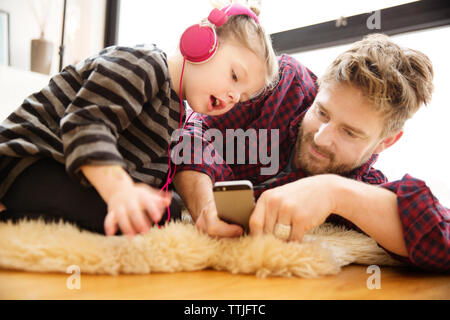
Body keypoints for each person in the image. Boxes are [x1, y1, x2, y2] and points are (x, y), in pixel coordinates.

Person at [172, 34, 450, 272]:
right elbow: (192, 135)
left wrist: (334, 192)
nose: (321, 137)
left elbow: (441, 237)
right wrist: (204, 204)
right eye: (322, 112)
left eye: (349, 132)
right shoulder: (276, 84)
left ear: (385, 143)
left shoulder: (361, 185)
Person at [0, 3, 279, 237]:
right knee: (115, 219)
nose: (232, 97)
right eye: (234, 76)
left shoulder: (177, 112)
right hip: (29, 158)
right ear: (203, 41)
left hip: (72, 171)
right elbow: (86, 124)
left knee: (163, 215)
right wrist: (120, 189)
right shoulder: (144, 64)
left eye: (241, 98)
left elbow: (147, 171)